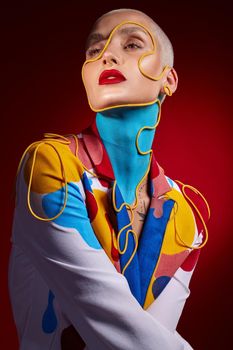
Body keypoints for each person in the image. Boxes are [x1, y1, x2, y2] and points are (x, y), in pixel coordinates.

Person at [8, 8, 210, 350]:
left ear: (169, 80)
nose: (107, 56)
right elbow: (123, 332)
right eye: (94, 50)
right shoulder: (51, 165)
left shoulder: (186, 217)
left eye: (131, 44)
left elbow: (146, 337)